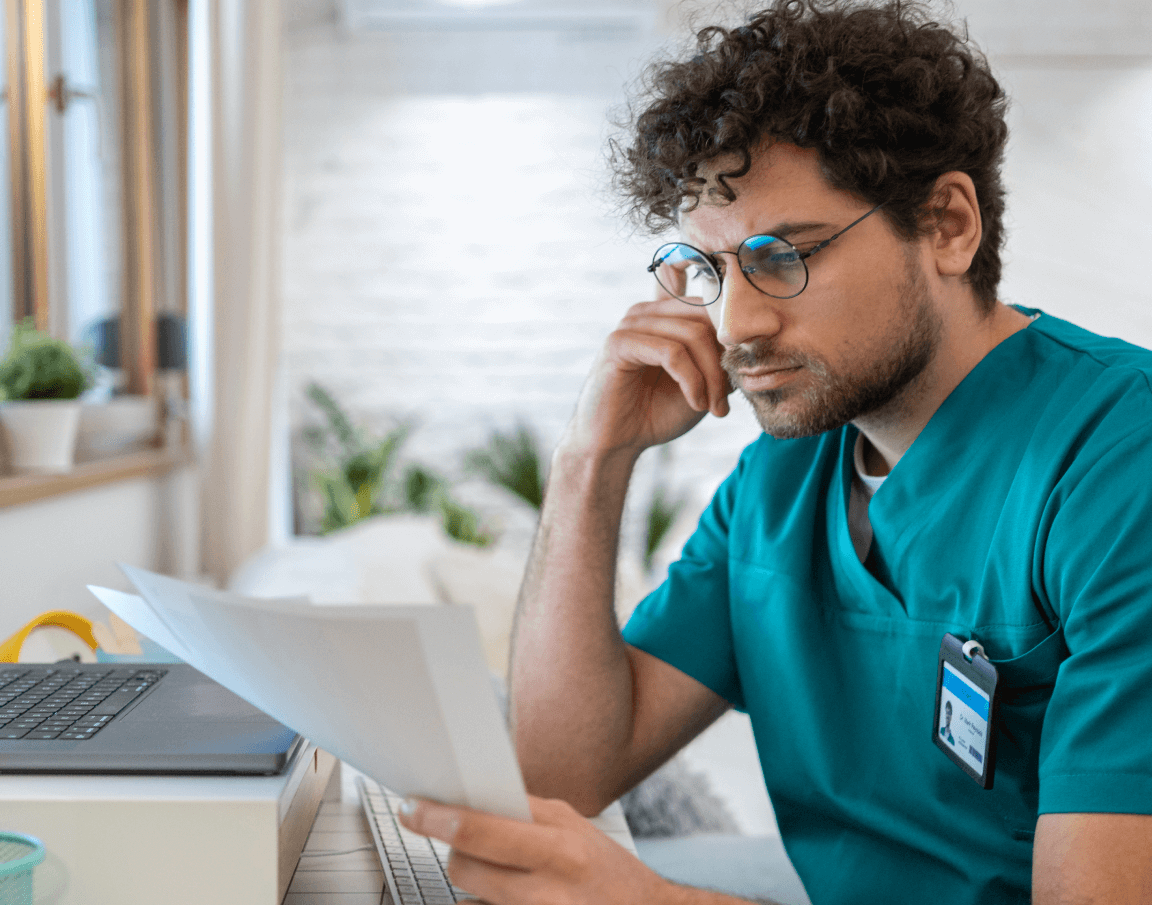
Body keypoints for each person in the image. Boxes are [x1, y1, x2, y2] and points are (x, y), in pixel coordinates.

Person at [396, 1, 1152, 903]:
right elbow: (559, 777)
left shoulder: (1118, 463)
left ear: (948, 225)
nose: (736, 323)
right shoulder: (783, 478)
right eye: (710, 270)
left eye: (784, 256)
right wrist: (590, 458)